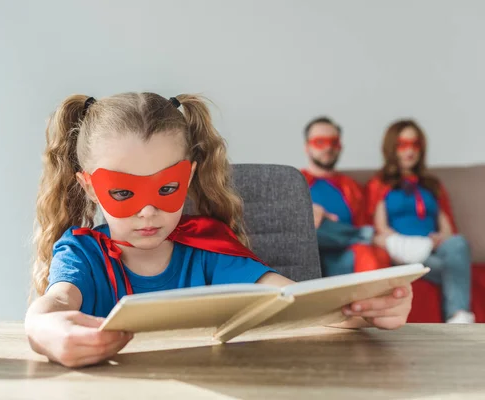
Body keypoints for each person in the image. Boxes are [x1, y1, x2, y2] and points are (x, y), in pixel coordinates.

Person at [25, 93, 414, 368]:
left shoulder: (208, 249)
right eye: (124, 191)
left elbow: (293, 299)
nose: (148, 210)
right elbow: (56, 303)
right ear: (90, 186)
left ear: (189, 176)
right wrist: (44, 328)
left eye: (166, 188)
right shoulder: (82, 255)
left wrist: (366, 310)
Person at [366, 119, 474, 324]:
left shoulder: (432, 185)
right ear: (392, 148)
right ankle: (458, 314)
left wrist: (440, 239)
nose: (410, 151)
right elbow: (380, 229)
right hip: (405, 251)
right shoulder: (380, 184)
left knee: (458, 243)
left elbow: (447, 226)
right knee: (451, 268)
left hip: (435, 249)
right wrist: (409, 246)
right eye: (403, 145)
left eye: (415, 145)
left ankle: (459, 317)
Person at [301, 117, 390, 277]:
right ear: (307, 147)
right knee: (307, 226)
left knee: (365, 252)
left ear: (340, 147)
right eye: (320, 142)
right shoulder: (294, 183)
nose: (328, 147)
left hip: (344, 256)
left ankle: (362, 237)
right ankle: (364, 235)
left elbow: (365, 218)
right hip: (311, 252)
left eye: (333, 142)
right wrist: (309, 213)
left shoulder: (352, 187)